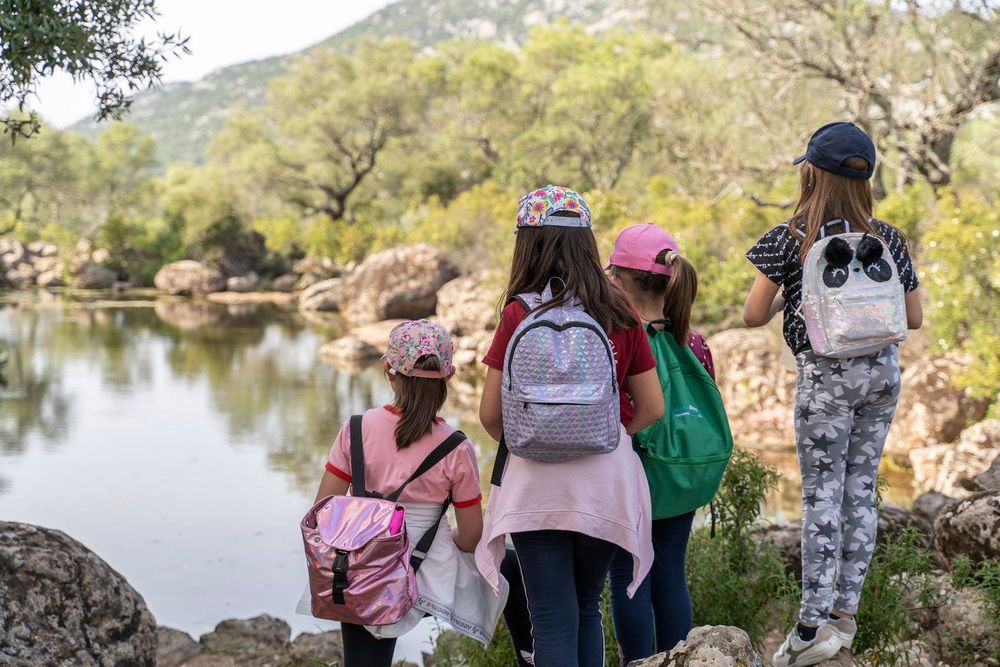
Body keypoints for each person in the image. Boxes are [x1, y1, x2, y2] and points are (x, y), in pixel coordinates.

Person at [743, 122, 923, 667]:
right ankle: (844, 615)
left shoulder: (791, 238)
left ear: (811, 172)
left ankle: (809, 629)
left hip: (825, 381)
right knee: (860, 490)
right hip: (881, 375)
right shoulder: (888, 238)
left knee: (821, 498)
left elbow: (752, 315)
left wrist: (789, 299)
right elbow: (912, 317)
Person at [475, 185, 664, 667]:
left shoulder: (519, 311)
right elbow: (652, 408)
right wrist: (607, 434)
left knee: (551, 615)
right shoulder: (620, 309)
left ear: (528, 243)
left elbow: (491, 416)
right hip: (604, 483)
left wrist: (535, 439)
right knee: (584, 605)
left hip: (535, 486)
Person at [313, 320, 505, 667]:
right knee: (514, 569)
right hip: (428, 575)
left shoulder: (356, 429)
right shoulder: (456, 447)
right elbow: (472, 535)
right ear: (449, 376)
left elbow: (323, 511)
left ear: (389, 371)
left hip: (360, 565)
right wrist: (442, 544)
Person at [604, 223, 716, 663]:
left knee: (627, 577)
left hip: (631, 474)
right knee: (670, 574)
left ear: (618, 279)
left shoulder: (616, 340)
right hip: (680, 476)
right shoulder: (693, 343)